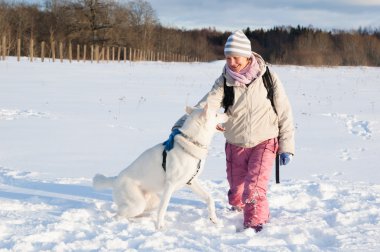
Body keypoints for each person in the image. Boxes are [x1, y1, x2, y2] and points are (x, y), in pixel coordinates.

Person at [173, 30, 295, 232]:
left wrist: (287, 146)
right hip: (235, 142)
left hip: (265, 141)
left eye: (235, 57)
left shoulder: (268, 78)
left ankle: (255, 225)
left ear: (247, 55)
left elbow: (284, 112)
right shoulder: (224, 81)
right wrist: (180, 126)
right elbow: (206, 105)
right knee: (237, 189)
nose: (232, 62)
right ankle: (237, 205)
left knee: (254, 190)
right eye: (227, 57)